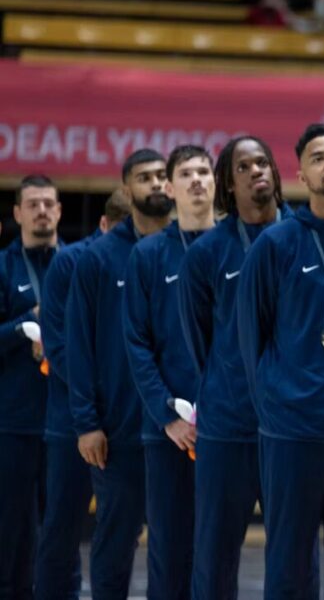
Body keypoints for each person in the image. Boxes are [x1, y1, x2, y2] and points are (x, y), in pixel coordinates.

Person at [237, 124, 324, 598]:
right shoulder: (275, 244)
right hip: (292, 430)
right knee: (289, 561)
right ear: (302, 175)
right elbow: (253, 339)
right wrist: (276, 404)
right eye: (317, 158)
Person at [178, 135, 288, 599]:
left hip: (293, 425)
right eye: (244, 167)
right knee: (216, 553)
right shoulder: (206, 252)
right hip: (228, 424)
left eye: (264, 162)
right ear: (228, 183)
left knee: (292, 552)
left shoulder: (302, 238)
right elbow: (198, 337)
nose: (257, 170)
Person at [67, 150, 173, 598]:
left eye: (161, 176)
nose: (156, 184)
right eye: (144, 177)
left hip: (175, 426)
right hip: (118, 429)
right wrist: (88, 422)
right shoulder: (97, 259)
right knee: (115, 541)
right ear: (126, 190)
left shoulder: (186, 248)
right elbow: (78, 346)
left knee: (174, 545)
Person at [122, 145, 216, 600]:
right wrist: (167, 414)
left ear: (216, 184)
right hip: (166, 432)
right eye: (186, 173)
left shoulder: (241, 247)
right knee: (168, 548)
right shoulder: (148, 254)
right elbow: (136, 343)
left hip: (230, 428)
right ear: (170, 186)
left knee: (218, 552)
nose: (197, 179)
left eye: (205, 171)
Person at [35, 190, 130, 600]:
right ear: (105, 225)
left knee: (119, 527)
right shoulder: (71, 262)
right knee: (63, 525)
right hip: (72, 419)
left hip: (125, 420)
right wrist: (89, 412)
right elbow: (58, 346)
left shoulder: (145, 258)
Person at [0, 175, 63, 597]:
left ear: (59, 211)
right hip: (14, 422)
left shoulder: (78, 263)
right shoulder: (3, 267)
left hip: (68, 422)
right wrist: (23, 330)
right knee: (10, 531)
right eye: (33, 204)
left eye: (48, 203)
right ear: (18, 213)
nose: (41, 210)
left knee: (61, 528)